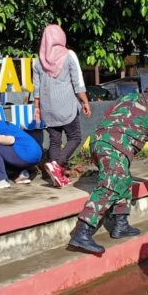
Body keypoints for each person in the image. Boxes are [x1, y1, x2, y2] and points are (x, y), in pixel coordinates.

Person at [68, 84, 148, 254]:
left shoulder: (128, 99)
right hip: (115, 146)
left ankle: (121, 225)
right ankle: (82, 233)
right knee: (110, 185)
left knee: (124, 179)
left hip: (98, 142)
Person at [33, 24, 91, 188]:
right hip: (66, 105)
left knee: (54, 141)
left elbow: (36, 88)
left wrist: (37, 108)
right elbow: (77, 82)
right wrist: (85, 102)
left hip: (47, 108)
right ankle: (58, 165)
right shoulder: (69, 55)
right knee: (75, 137)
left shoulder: (38, 61)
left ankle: (56, 177)